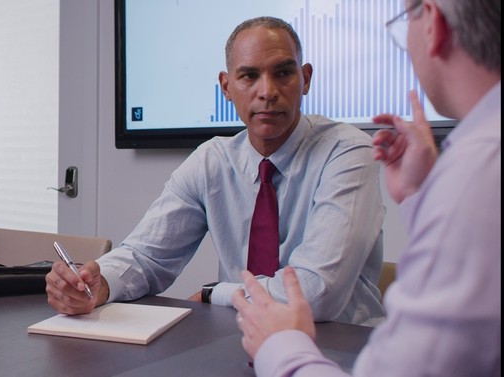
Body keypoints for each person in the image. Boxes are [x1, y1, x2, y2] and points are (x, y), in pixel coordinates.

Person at [46, 16, 387, 326]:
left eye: (283, 73)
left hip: (341, 348)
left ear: (305, 78)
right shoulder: (212, 161)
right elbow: (145, 255)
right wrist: (97, 283)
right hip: (239, 340)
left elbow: (316, 293)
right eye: (249, 76)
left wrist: (216, 294)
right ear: (226, 87)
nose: (267, 91)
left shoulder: (348, 152)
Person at [231, 0, 501, 375]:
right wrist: (422, 196)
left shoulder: (480, 168)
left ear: (432, 25)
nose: (266, 92)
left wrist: (281, 347)